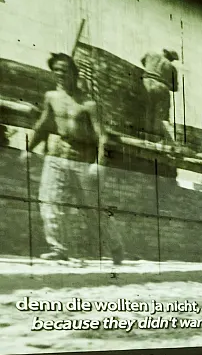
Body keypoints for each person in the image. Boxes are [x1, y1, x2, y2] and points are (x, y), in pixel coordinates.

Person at [27, 53, 124, 264]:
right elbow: (43, 125)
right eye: (57, 70)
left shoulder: (89, 104)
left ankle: (116, 246)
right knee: (49, 201)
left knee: (93, 207)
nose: (60, 74)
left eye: (65, 70)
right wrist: (28, 148)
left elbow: (102, 136)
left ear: (74, 73)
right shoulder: (51, 97)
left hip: (82, 160)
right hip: (55, 157)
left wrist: (100, 163)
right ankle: (58, 248)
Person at [140, 48, 179, 140]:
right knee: (158, 115)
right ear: (171, 58)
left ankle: (146, 138)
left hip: (145, 83)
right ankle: (154, 140)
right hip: (161, 88)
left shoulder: (150, 53)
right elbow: (175, 88)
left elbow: (142, 61)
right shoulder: (172, 68)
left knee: (148, 112)